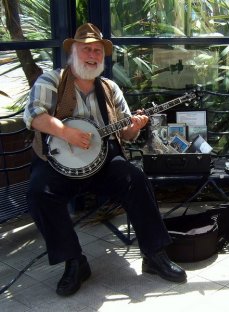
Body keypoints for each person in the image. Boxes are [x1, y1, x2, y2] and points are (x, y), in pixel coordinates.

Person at [23, 23, 186, 297]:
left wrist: (134, 126)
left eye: (97, 50)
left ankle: (154, 254)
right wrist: (66, 132)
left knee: (135, 179)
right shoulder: (51, 80)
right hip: (57, 159)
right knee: (39, 193)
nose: (92, 54)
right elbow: (33, 116)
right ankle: (74, 261)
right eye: (86, 48)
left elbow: (125, 132)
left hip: (103, 159)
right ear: (73, 52)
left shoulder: (109, 88)